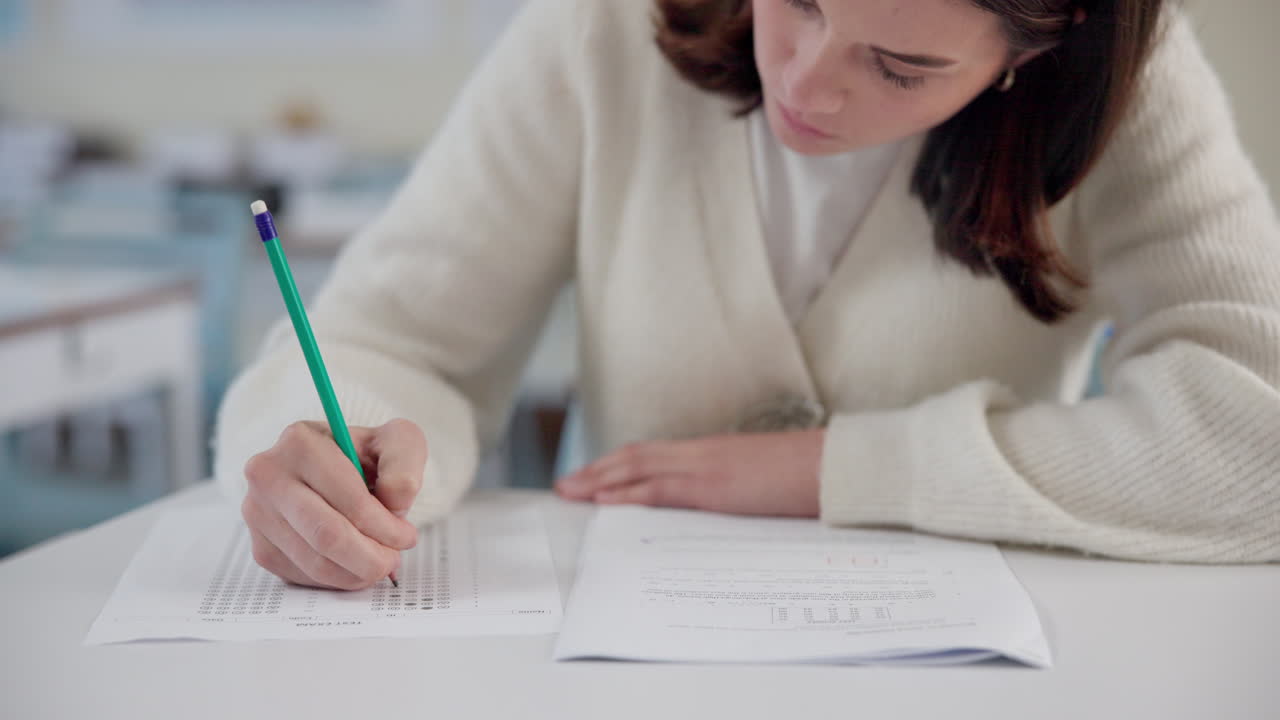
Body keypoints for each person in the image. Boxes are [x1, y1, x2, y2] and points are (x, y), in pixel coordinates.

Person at [216, 0, 1280, 591]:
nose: (806, 83)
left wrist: (832, 470)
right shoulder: (597, 28)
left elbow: (1255, 437)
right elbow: (398, 342)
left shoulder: (1128, 90)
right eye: (801, 1)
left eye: (899, 67)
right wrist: (331, 445)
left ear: (1038, 47)